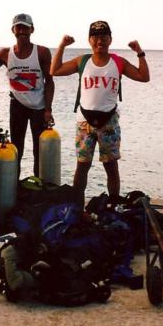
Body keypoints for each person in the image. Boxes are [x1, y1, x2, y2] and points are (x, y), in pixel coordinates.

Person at [51, 20, 150, 200]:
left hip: (109, 122)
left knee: (111, 167)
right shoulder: (83, 61)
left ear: (110, 39)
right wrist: (62, 46)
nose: (99, 41)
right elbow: (55, 70)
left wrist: (139, 52)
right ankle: (77, 207)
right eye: (95, 37)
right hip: (84, 122)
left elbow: (144, 77)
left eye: (104, 37)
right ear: (89, 40)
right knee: (82, 166)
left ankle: (113, 205)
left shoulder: (118, 62)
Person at [0, 13, 54, 178]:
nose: (22, 31)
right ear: (13, 30)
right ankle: (13, 185)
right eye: (19, 27)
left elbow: (50, 82)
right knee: (16, 147)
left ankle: (39, 184)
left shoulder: (42, 52)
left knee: (40, 149)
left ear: (32, 29)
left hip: (39, 107)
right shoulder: (4, 54)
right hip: (17, 105)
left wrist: (48, 109)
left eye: (26, 27)